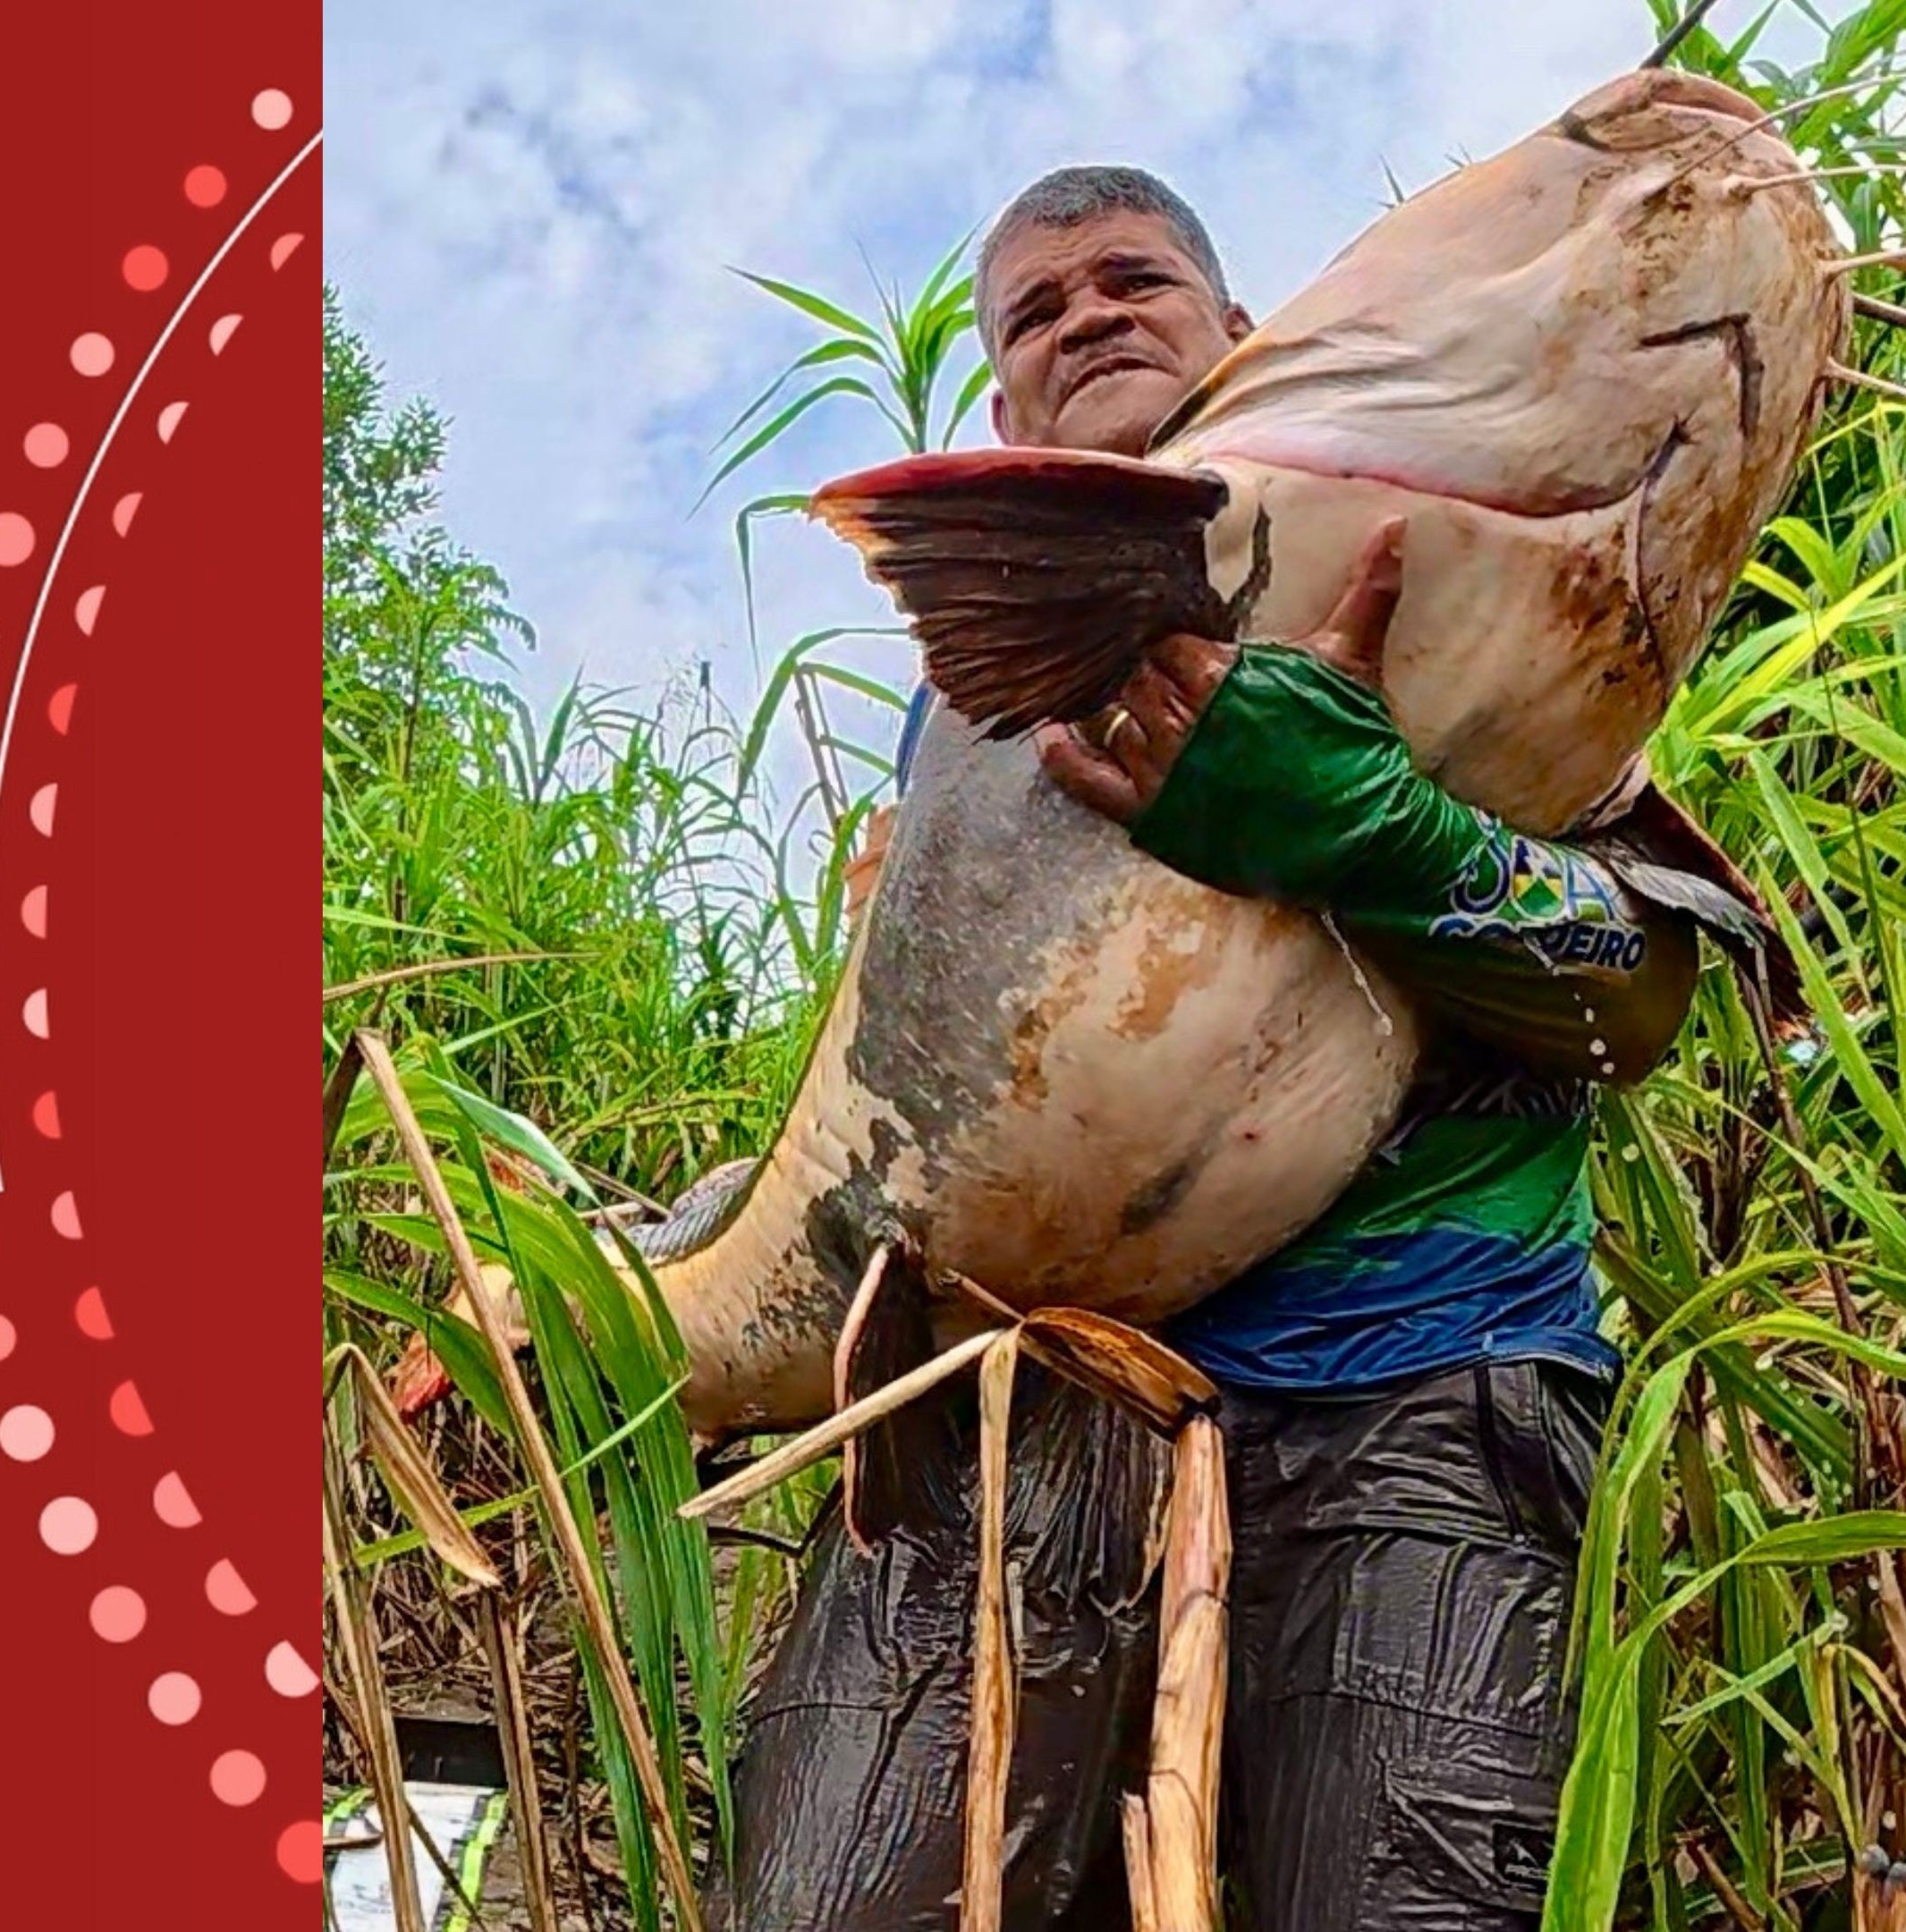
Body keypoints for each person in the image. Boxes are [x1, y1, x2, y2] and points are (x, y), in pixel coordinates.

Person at [723, 165, 1723, 1932]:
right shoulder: (956, 706)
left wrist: (1373, 832)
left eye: (1134, 280)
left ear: (1244, 334)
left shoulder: (1455, 539)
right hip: (1020, 1401)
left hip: (1417, 1387)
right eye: (1036, 315)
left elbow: (1639, 996)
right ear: (1002, 411)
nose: (1089, 317)